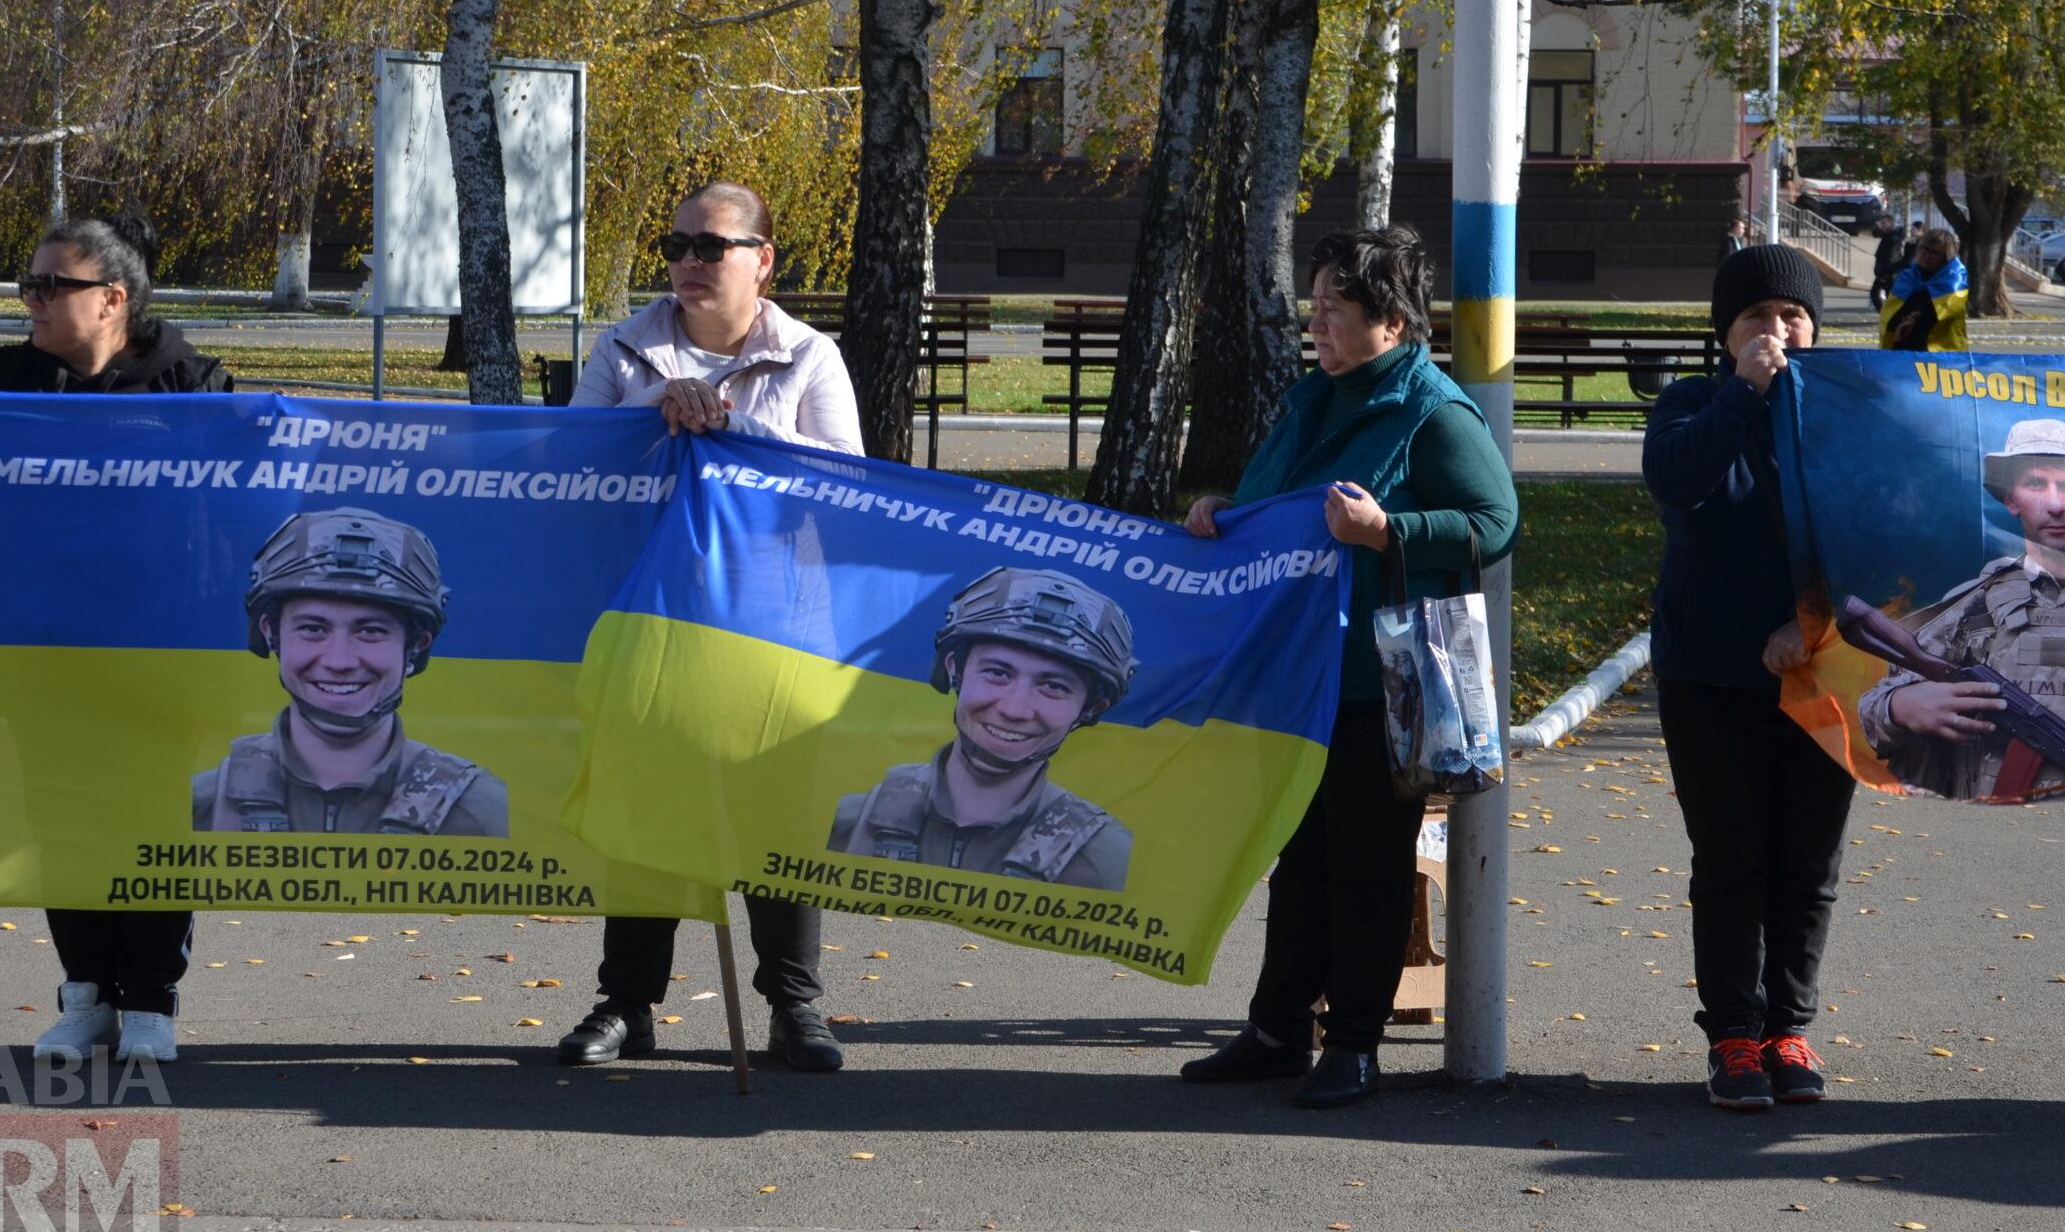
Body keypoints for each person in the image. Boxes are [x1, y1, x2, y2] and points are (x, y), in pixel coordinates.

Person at [1177, 226, 1519, 1109]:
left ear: (1394, 323)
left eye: (1337, 307)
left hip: (1379, 684)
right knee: (1297, 863)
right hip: (1297, 677)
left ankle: (1356, 1044)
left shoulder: (1432, 411)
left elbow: (1496, 521)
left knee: (1368, 867)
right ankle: (1277, 1031)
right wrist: (1218, 511)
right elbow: (1270, 508)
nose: (1317, 322)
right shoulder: (1309, 398)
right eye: (1314, 304)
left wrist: (1389, 532)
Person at [0, 209, 234, 1064]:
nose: (33, 301)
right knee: (62, 818)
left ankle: (151, 998)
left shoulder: (193, 385)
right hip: (36, 648)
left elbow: (250, 500)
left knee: (154, 816)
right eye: (29, 284)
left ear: (112, 299)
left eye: (53, 285)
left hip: (160, 649)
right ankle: (86, 995)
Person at [559, 179, 863, 1073]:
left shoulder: (809, 356)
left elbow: (846, 490)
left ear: (762, 260)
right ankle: (627, 1004)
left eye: (711, 247)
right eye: (677, 244)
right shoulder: (624, 348)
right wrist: (651, 418)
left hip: (775, 625)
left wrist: (738, 442)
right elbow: (575, 473)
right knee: (648, 807)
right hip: (653, 621)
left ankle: (795, 1007)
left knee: (779, 813)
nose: (689, 262)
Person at [1641, 244, 1855, 1110]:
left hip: (1822, 672)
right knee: (1729, 860)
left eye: (1791, 317)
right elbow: (1679, 482)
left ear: (1814, 326)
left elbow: (1876, 537)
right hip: (1709, 676)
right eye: (1755, 319)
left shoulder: (1842, 417)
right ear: (1725, 334)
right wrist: (1743, 394)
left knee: (1807, 862)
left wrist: (1807, 623)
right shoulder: (1693, 405)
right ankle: (1734, 1036)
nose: (1776, 332)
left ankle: (1789, 1032)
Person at [1857, 421, 2065, 800]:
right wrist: (1901, 706)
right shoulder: (1975, 607)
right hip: (1991, 830)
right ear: (2011, 499)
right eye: (2036, 484)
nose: (2055, 504)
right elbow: (1873, 706)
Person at [193, 509, 508, 835]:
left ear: (415, 644)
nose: (339, 661)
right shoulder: (203, 804)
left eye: (370, 631)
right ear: (271, 634)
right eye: (313, 628)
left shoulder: (482, 814)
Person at [829, 567, 1137, 893]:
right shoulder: (850, 821)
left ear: (1091, 708)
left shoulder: (1109, 860)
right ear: (954, 670)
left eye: (1053, 686)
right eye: (997, 673)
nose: (1014, 709)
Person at [1881, 226, 1968, 351]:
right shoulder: (1907, 277)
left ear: (1946, 257)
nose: (1927, 256)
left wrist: (1915, 321)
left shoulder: (1954, 279)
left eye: (1935, 253)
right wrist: (1901, 321)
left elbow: (1946, 311)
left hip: (1939, 351)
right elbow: (1889, 312)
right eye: (1925, 249)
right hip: (1904, 345)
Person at [1868, 213, 1906, 312]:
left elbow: (1890, 257)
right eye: (1882, 223)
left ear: (1891, 223)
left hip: (1888, 272)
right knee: (1878, 294)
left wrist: (1884, 274)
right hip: (1884, 271)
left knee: (1886, 295)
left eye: (1884, 223)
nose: (1882, 225)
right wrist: (1877, 226)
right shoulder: (1888, 234)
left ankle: (1889, 315)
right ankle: (1886, 314)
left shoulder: (1894, 237)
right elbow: (1875, 233)